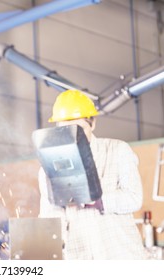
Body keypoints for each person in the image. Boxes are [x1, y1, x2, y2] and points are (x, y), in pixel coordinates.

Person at [38, 89, 148, 260]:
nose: (73, 135)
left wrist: (97, 200)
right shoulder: (48, 167)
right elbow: (51, 215)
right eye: (65, 129)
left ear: (93, 123)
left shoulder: (118, 150)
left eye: (78, 128)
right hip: (80, 259)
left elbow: (134, 198)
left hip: (120, 257)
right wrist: (39, 245)